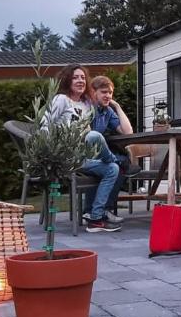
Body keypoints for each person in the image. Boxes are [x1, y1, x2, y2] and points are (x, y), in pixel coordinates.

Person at [41, 65, 121, 233]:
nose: (80, 81)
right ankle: (112, 158)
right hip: (64, 156)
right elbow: (45, 126)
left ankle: (95, 218)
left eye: (83, 78)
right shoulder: (61, 99)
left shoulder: (86, 104)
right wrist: (50, 153)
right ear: (68, 80)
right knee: (95, 137)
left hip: (82, 157)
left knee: (112, 169)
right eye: (76, 77)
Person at [81, 75, 140, 224]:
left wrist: (117, 106)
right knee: (119, 164)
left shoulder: (107, 111)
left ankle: (98, 211)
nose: (108, 95)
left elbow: (127, 132)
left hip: (97, 157)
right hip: (82, 155)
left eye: (110, 92)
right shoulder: (86, 107)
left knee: (116, 167)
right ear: (93, 92)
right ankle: (97, 210)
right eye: (104, 92)